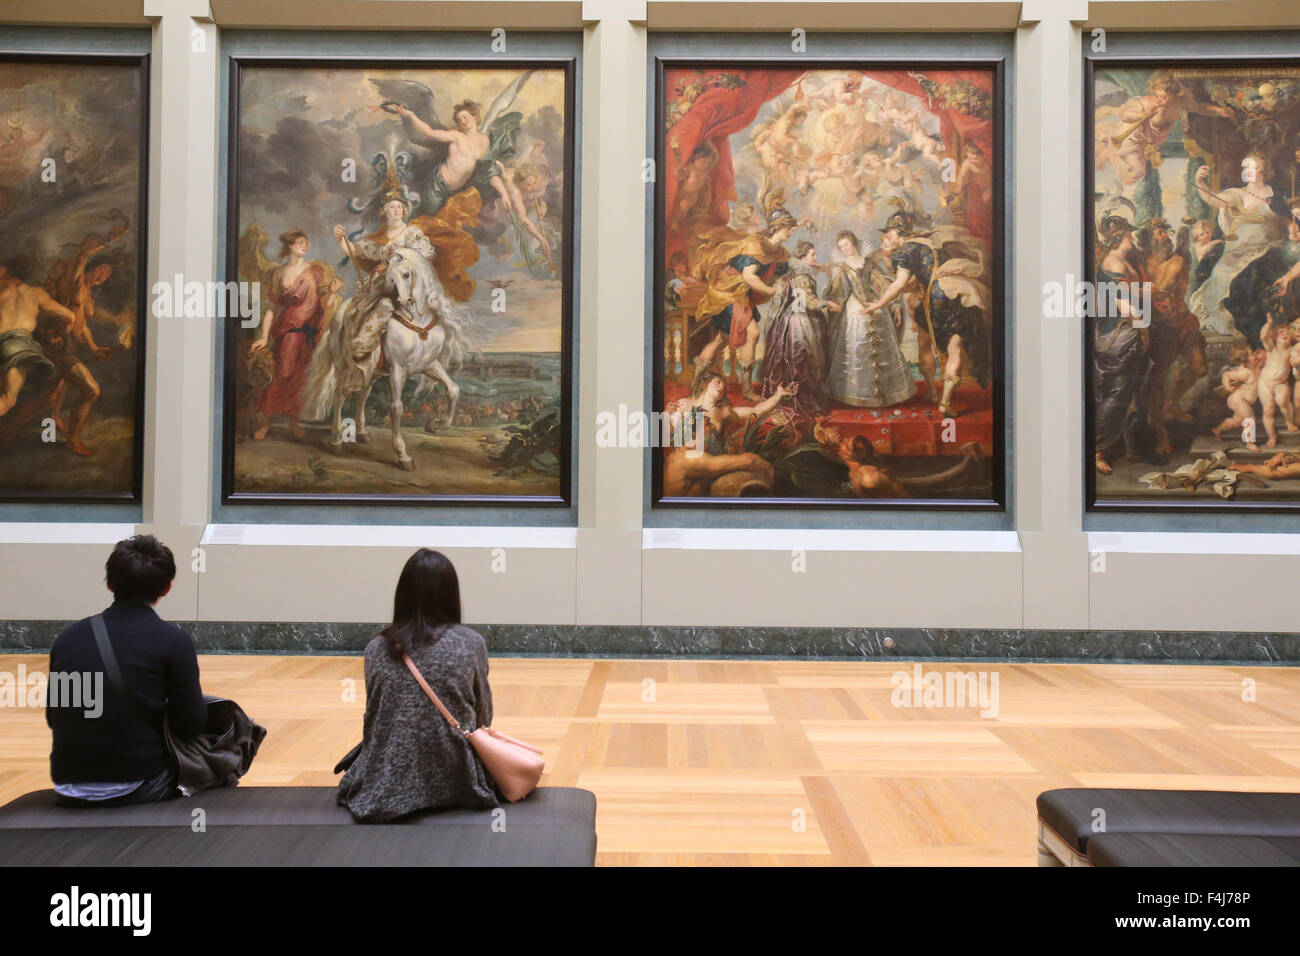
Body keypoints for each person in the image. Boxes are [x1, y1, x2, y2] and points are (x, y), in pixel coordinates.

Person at [338, 549, 498, 821]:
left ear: (402, 596)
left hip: (386, 780)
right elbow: (483, 719)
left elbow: (376, 716)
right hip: (457, 777)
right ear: (451, 595)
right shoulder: (471, 643)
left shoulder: (376, 647)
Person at [46, 535, 206, 807]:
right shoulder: (173, 642)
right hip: (136, 783)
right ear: (167, 588)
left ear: (109, 583)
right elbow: (190, 726)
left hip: (68, 784)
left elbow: (55, 716)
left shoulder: (68, 639)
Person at [250, 230, 340, 440]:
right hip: (288, 331)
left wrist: (332, 292)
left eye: (306, 243)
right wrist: (264, 337)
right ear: (289, 246)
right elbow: (272, 308)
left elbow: (322, 303)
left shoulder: (315, 271)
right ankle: (265, 422)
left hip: (310, 333)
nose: (304, 246)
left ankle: (294, 422)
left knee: (302, 378)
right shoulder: (279, 273)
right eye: (300, 242)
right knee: (282, 373)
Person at [825, 229, 916, 409]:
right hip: (853, 313)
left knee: (884, 350)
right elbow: (837, 293)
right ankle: (857, 394)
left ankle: (886, 394)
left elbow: (883, 285)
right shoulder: (840, 267)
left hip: (876, 307)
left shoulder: (869, 263)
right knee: (857, 349)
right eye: (841, 246)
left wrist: (895, 305)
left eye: (847, 245)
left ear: (854, 244)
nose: (844, 249)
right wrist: (832, 305)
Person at [760, 240, 837, 415]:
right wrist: (828, 303)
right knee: (803, 359)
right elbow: (806, 302)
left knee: (799, 360)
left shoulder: (796, 272)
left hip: (791, 319)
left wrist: (822, 266)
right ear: (803, 257)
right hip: (798, 321)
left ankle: (795, 396)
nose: (815, 257)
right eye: (812, 255)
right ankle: (801, 400)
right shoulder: (801, 277)